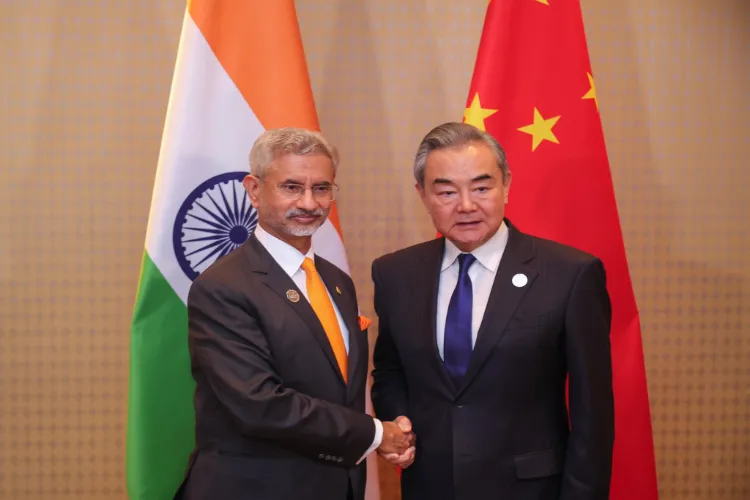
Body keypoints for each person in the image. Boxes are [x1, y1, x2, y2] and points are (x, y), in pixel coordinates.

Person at [370, 122, 615, 499]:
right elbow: (390, 369)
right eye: (447, 191)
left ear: (507, 185)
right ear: (422, 194)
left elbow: (593, 413)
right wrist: (400, 421)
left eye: (482, 188)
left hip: (530, 489)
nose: (466, 206)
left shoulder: (569, 274)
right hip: (430, 486)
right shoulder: (395, 273)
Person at [175, 127, 414, 500]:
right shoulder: (223, 287)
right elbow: (259, 405)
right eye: (291, 187)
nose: (308, 202)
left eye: (321, 188)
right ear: (254, 190)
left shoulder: (336, 282)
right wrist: (378, 434)